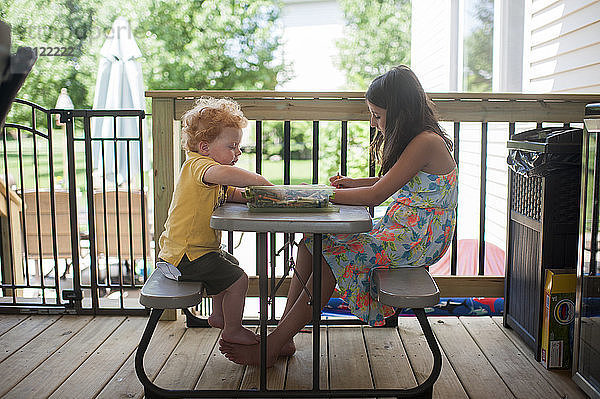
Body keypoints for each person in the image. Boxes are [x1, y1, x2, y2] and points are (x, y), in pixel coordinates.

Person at [220, 65, 458, 366]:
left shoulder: (426, 141)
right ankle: (285, 337)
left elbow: (376, 196)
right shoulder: (421, 139)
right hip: (404, 231)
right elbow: (396, 181)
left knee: (331, 256)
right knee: (312, 242)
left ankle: (273, 344)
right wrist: (354, 183)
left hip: (417, 239)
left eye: (378, 115)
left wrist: (317, 195)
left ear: (400, 112)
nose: (373, 122)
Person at [158, 97, 272, 345]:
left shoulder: (209, 173)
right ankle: (232, 329)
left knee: (229, 262)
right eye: (232, 146)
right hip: (186, 256)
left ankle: (219, 315)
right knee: (238, 279)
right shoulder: (199, 165)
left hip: (195, 252)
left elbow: (229, 192)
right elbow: (224, 174)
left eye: (238, 146)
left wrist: (256, 198)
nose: (238, 152)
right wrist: (260, 181)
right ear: (205, 147)